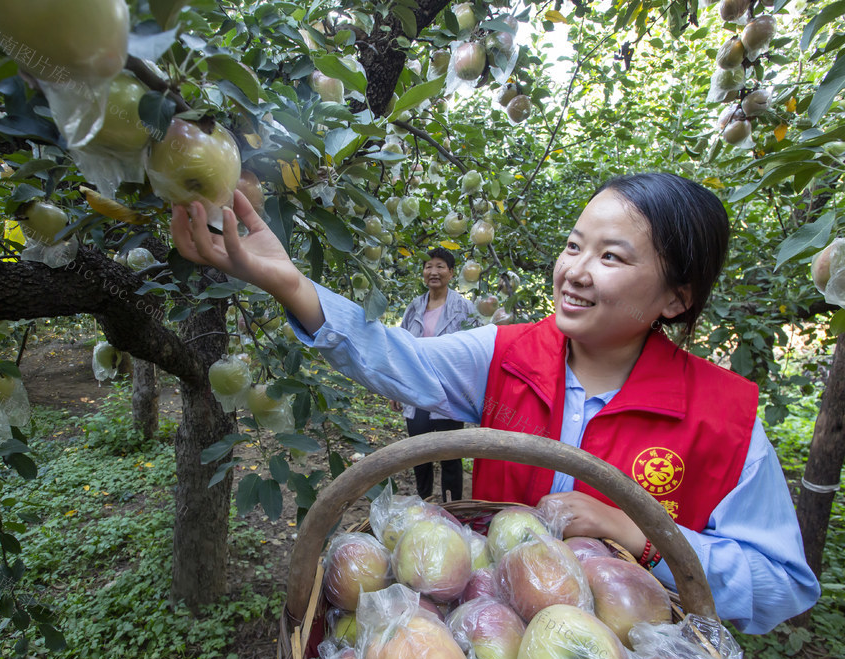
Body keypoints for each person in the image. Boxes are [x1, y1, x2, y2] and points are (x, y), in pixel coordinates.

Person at [170, 172, 820, 633]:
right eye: (573, 245)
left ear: (675, 298)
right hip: (495, 628)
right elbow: (400, 358)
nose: (575, 270)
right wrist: (290, 282)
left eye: (611, 256)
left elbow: (784, 585)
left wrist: (638, 532)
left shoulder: (723, 416)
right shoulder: (507, 354)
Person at [389, 247, 478, 502]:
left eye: (440, 266)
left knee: (450, 454)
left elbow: (475, 350)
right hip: (417, 389)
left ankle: (454, 507)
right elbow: (402, 349)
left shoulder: (464, 308)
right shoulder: (414, 307)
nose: (433, 272)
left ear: (451, 273)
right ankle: (423, 503)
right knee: (419, 453)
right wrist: (396, 388)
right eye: (428, 266)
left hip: (449, 391)